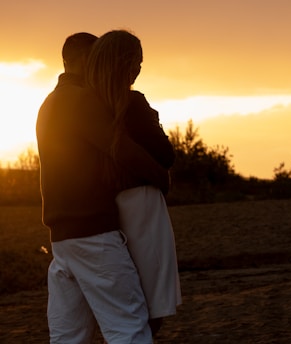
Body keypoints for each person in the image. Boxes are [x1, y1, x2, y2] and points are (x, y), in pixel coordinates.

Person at [37, 32, 168, 343]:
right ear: (85, 60)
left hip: (64, 240)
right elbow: (119, 147)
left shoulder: (50, 103)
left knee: (69, 335)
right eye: (97, 58)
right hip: (93, 235)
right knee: (129, 327)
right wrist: (161, 177)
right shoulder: (79, 100)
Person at [86, 29, 182, 336]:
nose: (139, 69)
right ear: (126, 63)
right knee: (153, 297)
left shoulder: (90, 106)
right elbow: (165, 154)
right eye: (137, 62)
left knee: (123, 297)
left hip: (108, 208)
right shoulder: (135, 104)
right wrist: (154, 119)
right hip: (142, 205)